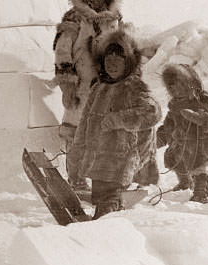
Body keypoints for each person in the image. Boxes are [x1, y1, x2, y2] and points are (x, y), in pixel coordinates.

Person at [66, 29, 161, 219]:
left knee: (108, 201)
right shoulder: (99, 87)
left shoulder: (134, 86)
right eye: (108, 60)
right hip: (97, 159)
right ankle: (107, 223)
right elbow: (84, 125)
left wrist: (118, 119)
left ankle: (104, 226)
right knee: (102, 197)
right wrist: (75, 157)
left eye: (118, 59)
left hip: (121, 158)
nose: (112, 64)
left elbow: (153, 112)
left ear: (128, 62)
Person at [53, 0, 125, 194]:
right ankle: (76, 178)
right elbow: (62, 50)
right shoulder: (74, 17)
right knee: (76, 132)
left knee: (102, 133)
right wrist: (67, 84)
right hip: (82, 85)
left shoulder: (113, 19)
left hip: (107, 86)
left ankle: (98, 179)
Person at [155, 63, 208, 203]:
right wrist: (157, 138)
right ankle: (185, 182)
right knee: (175, 159)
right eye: (170, 87)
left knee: (197, 166)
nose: (174, 90)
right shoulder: (175, 105)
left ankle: (201, 192)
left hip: (202, 141)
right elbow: (168, 125)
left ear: (189, 83)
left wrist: (198, 117)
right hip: (181, 142)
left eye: (178, 84)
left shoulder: (204, 100)